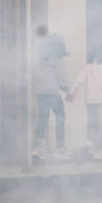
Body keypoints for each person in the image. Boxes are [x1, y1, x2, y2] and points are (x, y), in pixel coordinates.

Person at [67, 48, 102, 160]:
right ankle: (98, 151)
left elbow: (79, 81)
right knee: (101, 125)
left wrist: (72, 92)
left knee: (94, 124)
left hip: (90, 100)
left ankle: (89, 144)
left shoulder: (88, 67)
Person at [32, 24, 69, 157]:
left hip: (39, 90)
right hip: (52, 90)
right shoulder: (57, 56)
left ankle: (37, 148)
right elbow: (62, 73)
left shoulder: (39, 54)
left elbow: (35, 72)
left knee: (43, 118)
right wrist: (68, 89)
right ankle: (60, 148)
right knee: (60, 116)